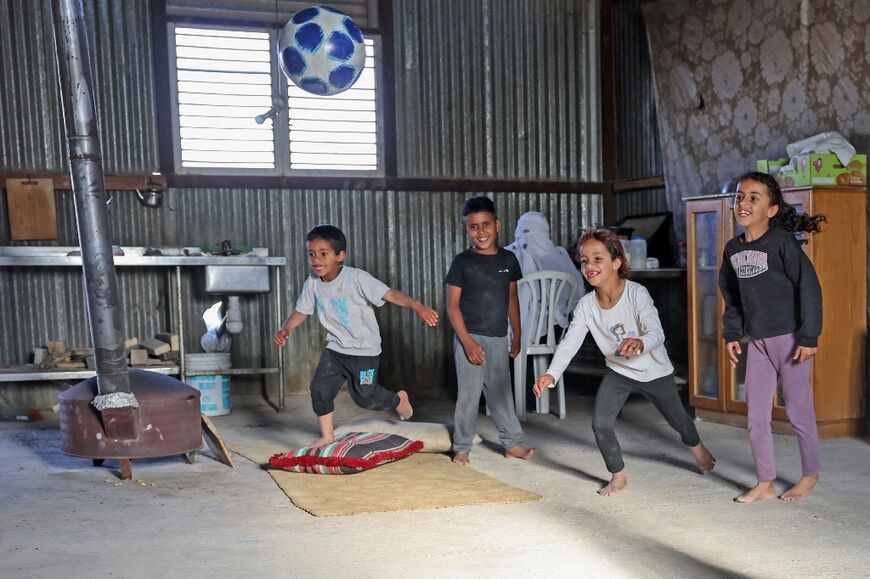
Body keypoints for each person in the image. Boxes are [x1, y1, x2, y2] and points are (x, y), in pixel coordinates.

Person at [533, 227, 715, 496]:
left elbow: (656, 331)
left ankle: (698, 449)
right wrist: (552, 373)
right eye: (584, 261)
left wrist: (641, 342)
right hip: (619, 370)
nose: (589, 266)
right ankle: (618, 475)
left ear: (617, 262)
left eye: (598, 259)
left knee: (680, 421)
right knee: (600, 424)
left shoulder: (636, 293)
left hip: (654, 370)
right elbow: (570, 342)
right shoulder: (586, 306)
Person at [274, 224, 439, 445]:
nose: (316, 260)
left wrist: (417, 306)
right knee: (319, 389)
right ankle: (327, 437)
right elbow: (301, 311)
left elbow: (389, 294)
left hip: (365, 351)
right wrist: (286, 328)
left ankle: (398, 399)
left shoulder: (356, 278)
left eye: (324, 254)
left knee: (366, 397)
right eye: (311, 254)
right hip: (335, 350)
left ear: (340, 255)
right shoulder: (312, 283)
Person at [719, 171, 825, 503]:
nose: (744, 203)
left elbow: (810, 288)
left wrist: (809, 336)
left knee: (798, 410)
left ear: (772, 210)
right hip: (759, 343)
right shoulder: (732, 249)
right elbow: (732, 296)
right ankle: (765, 481)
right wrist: (732, 334)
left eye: (754, 197)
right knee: (755, 416)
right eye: (739, 197)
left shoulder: (782, 243)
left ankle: (810, 475)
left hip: (791, 340)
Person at [446, 196, 535, 465]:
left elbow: (512, 299)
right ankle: (461, 446)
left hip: (498, 336)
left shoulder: (509, 259)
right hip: (468, 337)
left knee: (501, 392)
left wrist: (517, 333)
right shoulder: (462, 262)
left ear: (497, 224)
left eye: (486, 225)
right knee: (469, 394)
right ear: (465, 229)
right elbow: (452, 307)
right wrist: (467, 342)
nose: (481, 231)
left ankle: (512, 444)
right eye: (473, 227)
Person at [505, 211, 584, 346]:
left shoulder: (509, 254)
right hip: (556, 333)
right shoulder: (560, 255)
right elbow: (578, 293)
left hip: (515, 332)